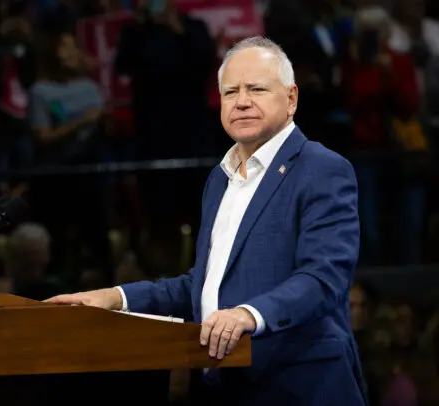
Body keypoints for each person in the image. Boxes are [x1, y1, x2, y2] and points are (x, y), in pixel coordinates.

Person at [46, 36, 366, 405]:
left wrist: (248, 314)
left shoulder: (321, 169)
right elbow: (202, 287)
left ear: (291, 98)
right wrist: (115, 298)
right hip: (224, 387)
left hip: (301, 386)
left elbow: (324, 278)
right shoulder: (219, 178)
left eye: (257, 89)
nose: (242, 101)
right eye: (231, 92)